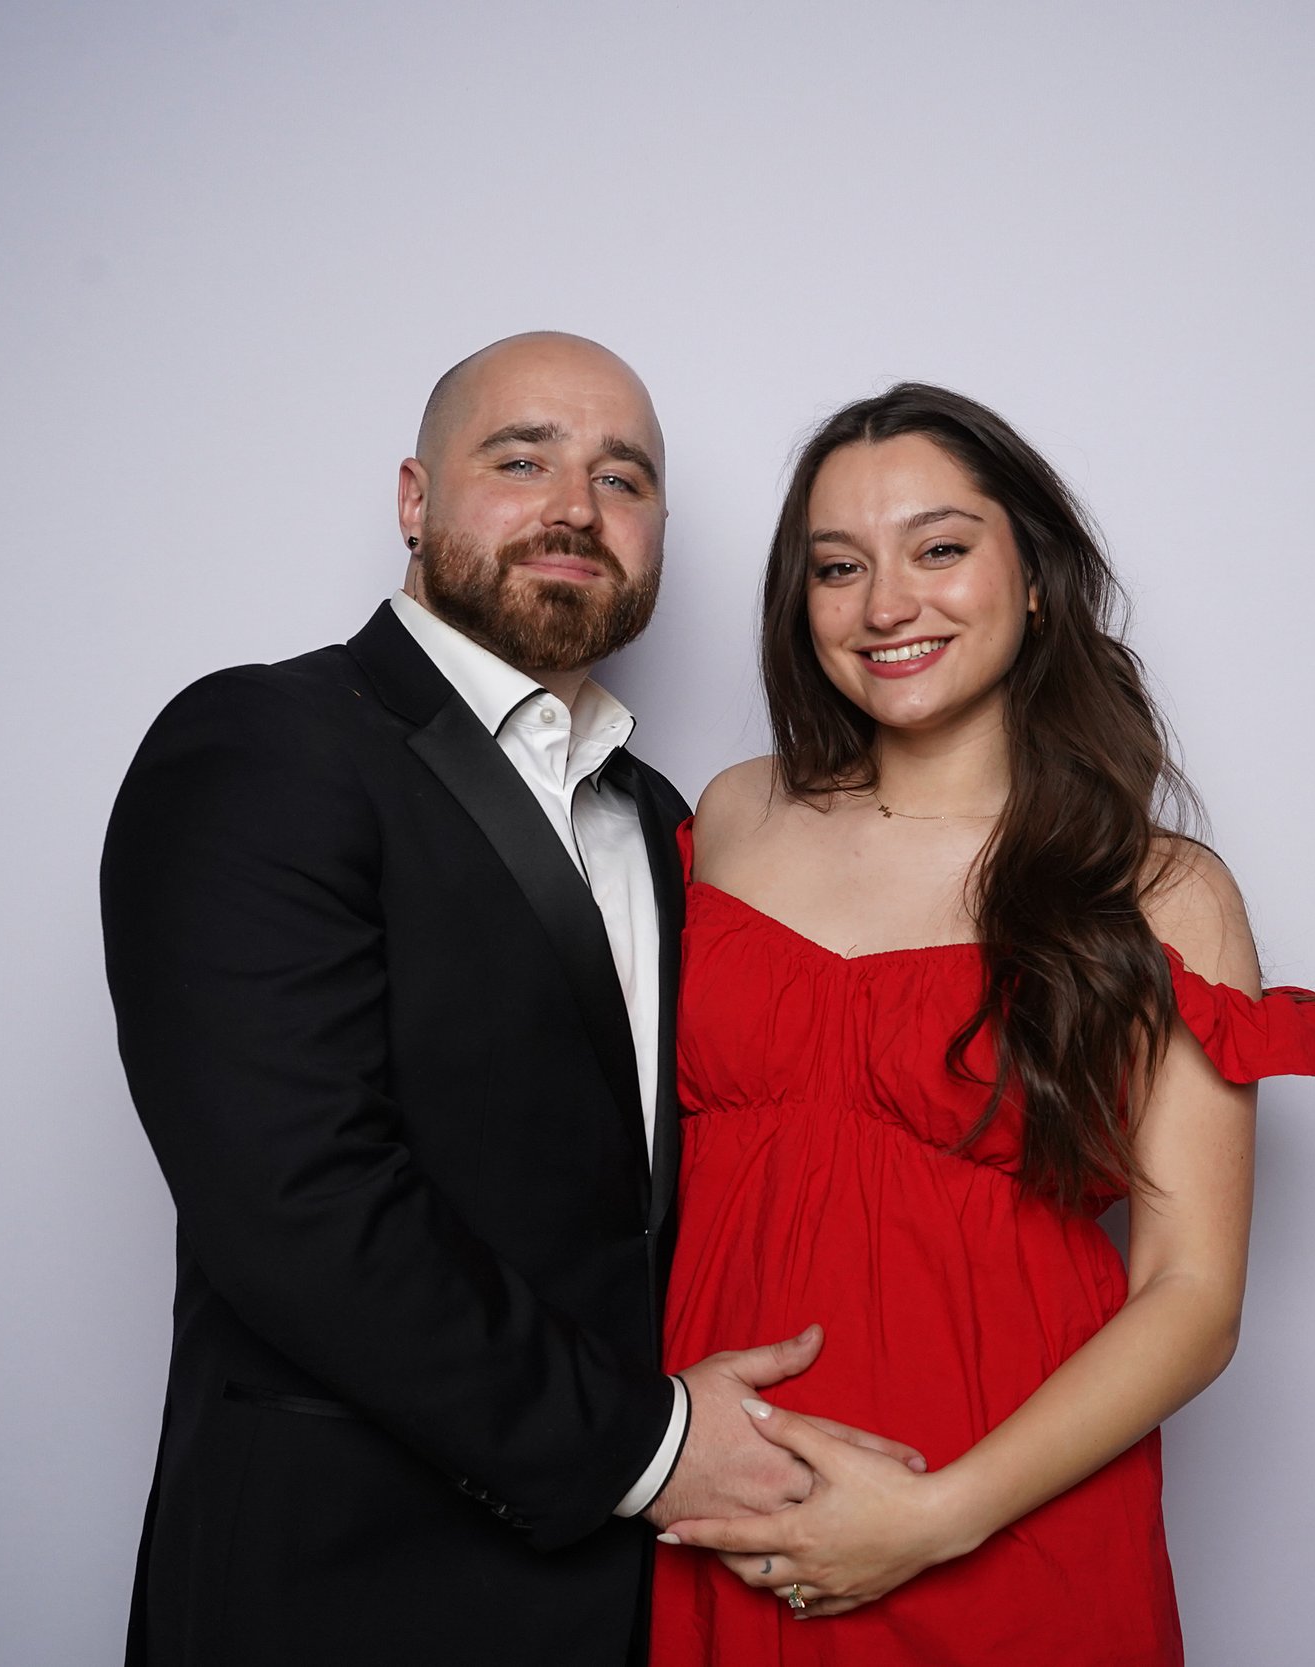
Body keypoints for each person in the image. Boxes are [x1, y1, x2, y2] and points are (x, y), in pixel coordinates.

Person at [100, 333, 914, 1667]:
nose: (576, 506)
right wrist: (655, 1444)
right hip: (339, 1587)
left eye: (623, 478)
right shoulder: (265, 744)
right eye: (521, 460)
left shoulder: (665, 817)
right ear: (414, 498)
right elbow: (296, 1198)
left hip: (631, 1598)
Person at [650, 384, 1315, 1663]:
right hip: (723, 1510)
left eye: (938, 548)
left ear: (1034, 578)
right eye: (838, 566)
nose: (886, 604)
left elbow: (1193, 1291)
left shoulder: (1160, 890)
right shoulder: (736, 814)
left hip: (1006, 1530)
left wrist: (934, 1516)